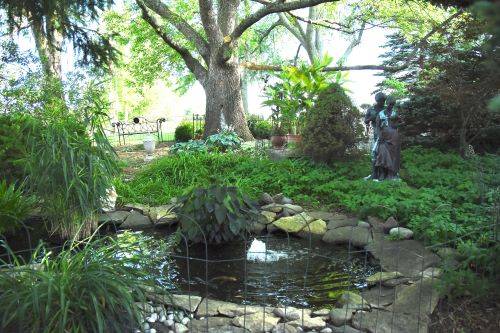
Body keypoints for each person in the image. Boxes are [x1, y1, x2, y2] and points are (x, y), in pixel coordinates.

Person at [373, 96, 401, 180]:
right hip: (383, 137)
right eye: (390, 104)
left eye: (393, 105)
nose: (391, 106)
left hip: (394, 137)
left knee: (393, 155)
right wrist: (379, 135)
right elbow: (377, 127)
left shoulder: (395, 113)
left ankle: (390, 174)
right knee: (381, 153)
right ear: (387, 103)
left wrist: (400, 122)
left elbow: (396, 125)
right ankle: (382, 173)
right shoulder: (381, 113)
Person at [363, 92, 386, 180]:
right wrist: (371, 118)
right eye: (380, 101)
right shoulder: (371, 109)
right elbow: (365, 121)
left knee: (383, 154)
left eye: (383, 101)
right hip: (375, 133)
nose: (382, 103)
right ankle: (374, 173)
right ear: (377, 100)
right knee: (374, 154)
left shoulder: (385, 109)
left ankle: (383, 173)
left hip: (385, 134)